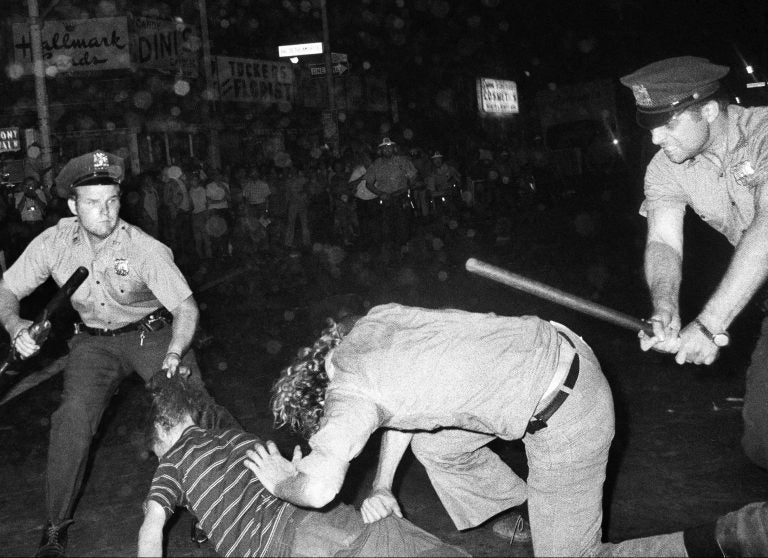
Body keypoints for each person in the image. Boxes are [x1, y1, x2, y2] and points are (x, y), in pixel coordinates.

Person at [244, 303, 768, 557]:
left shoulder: (350, 394)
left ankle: (721, 540)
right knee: (435, 444)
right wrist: (382, 485)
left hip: (568, 415)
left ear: (324, 402)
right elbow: (396, 408)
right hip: (561, 348)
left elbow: (318, 488)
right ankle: (535, 510)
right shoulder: (374, 325)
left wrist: (281, 481)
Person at [0, 150, 238, 558]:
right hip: (93, 343)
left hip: (153, 335)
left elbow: (186, 308)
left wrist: (175, 354)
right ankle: (55, 527)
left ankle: (217, 504)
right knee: (71, 419)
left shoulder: (144, 248)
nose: (105, 212)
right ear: (73, 206)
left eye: (112, 200)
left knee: (194, 414)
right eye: (93, 203)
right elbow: (7, 289)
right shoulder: (53, 242)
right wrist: (14, 324)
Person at [139, 372, 469, 558]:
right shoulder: (236, 438)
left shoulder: (171, 463)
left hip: (275, 548)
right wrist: (298, 474)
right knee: (399, 543)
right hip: (320, 515)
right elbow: (289, 482)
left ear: (162, 430)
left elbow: (152, 527)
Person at [619, 56, 768, 469]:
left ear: (708, 110)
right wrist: (664, 308)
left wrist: (709, 324)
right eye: (651, 125)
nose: (655, 138)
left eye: (668, 123)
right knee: (763, 441)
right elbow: (664, 241)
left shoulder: (764, 133)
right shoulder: (667, 167)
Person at [364, 138, 417, 250]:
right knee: (387, 225)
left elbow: (413, 175)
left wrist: (408, 186)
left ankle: (405, 247)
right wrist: (380, 193)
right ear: (380, 150)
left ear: (394, 148)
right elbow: (368, 183)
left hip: (401, 196)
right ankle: (390, 249)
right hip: (386, 198)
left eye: (389, 147)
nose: (387, 150)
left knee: (404, 223)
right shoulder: (376, 164)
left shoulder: (403, 161)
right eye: (384, 148)